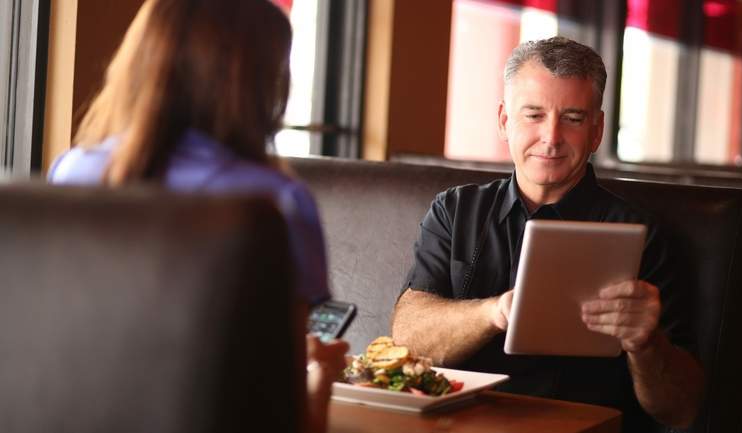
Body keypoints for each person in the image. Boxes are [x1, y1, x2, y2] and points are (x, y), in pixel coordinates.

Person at [47, 0, 347, 431]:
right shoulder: (276, 201)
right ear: (259, 80)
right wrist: (321, 377)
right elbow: (294, 422)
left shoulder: (70, 171)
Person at [391, 36, 704, 433]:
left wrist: (646, 343)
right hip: (455, 423)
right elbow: (408, 339)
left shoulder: (644, 234)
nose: (551, 138)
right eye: (534, 115)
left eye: (572, 118)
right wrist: (498, 311)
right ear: (505, 121)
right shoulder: (454, 211)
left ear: (596, 130)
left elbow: (680, 411)